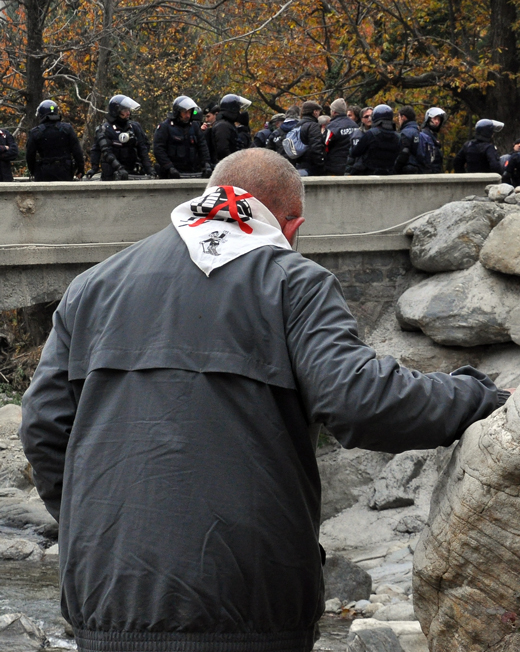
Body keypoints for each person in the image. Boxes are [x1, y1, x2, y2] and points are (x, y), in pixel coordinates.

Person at [20, 146, 511, 652]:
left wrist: (92, 528)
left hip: (107, 595)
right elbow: (359, 399)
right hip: (251, 600)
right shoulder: (293, 281)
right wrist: (481, 397)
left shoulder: (92, 286)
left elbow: (42, 427)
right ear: (292, 226)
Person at [88, 95, 154, 181]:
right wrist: (95, 168)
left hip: (131, 170)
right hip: (112, 173)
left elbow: (143, 149)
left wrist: (149, 169)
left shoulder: (134, 127)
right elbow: (105, 152)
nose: (128, 113)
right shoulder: (105, 129)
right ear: (116, 111)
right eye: (125, 110)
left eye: (129, 110)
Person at [153, 95, 212, 179]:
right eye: (185, 112)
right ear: (177, 112)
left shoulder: (194, 126)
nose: (187, 115)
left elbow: (202, 146)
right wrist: (169, 167)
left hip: (193, 171)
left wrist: (206, 164)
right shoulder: (165, 127)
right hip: (172, 174)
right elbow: (158, 149)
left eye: (189, 112)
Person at [26, 100, 84, 181]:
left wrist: (33, 170)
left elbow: (30, 155)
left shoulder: (36, 132)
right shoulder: (67, 129)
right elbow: (77, 151)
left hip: (44, 171)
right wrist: (80, 169)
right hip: (65, 171)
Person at [349, 103, 400, 175]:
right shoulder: (398, 137)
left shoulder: (370, 134)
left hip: (369, 174)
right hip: (389, 174)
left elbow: (355, 152)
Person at [212, 93, 251, 163]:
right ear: (233, 109)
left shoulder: (228, 125)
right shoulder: (223, 126)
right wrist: (234, 163)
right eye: (238, 110)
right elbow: (223, 150)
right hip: (225, 166)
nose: (240, 113)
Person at [324, 98, 357, 175]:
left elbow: (325, 145)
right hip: (351, 165)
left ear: (334, 111)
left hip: (334, 166)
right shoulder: (354, 125)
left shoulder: (332, 126)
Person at [294, 100, 325, 176]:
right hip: (311, 166)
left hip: (299, 164)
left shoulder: (298, 125)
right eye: (318, 111)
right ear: (315, 112)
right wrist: (321, 164)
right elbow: (316, 147)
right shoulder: (313, 126)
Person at [394, 105, 423, 174]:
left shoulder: (405, 133)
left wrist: (395, 168)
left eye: (399, 117)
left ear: (403, 117)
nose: (399, 121)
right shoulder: (420, 132)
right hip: (420, 169)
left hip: (407, 169)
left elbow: (404, 153)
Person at [345, 106, 372, 174]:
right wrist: (348, 172)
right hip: (358, 170)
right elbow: (351, 155)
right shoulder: (356, 134)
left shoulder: (379, 133)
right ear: (362, 119)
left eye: (371, 116)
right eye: (366, 116)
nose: (369, 118)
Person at [421, 107, 446, 173]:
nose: (437, 121)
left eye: (439, 119)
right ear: (428, 119)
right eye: (435, 118)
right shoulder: (424, 135)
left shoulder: (433, 136)